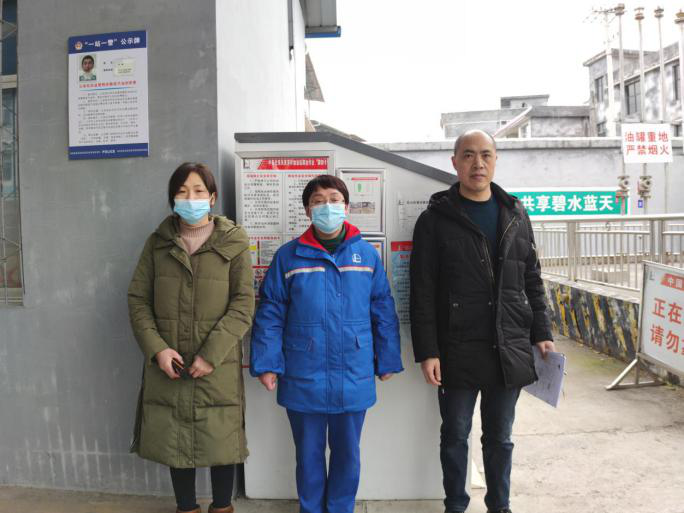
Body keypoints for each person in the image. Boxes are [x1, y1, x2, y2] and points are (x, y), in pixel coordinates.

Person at [409, 129, 555, 513]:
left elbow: (532, 279)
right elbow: (422, 291)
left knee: (500, 438)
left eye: (486, 154)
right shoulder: (434, 220)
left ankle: (499, 506)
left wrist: (542, 332)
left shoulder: (516, 215)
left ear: (495, 160)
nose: (478, 163)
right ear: (455, 162)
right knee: (455, 435)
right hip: (456, 348)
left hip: (509, 345)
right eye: (469, 155)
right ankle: (456, 506)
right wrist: (428, 351)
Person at [250, 174, 403, 513]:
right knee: (308, 456)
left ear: (346, 207)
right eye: (318, 201)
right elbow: (270, 312)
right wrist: (267, 362)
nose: (327, 207)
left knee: (348, 454)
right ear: (308, 210)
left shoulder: (366, 255)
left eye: (334, 199)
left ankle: (340, 509)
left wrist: (388, 358)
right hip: (304, 373)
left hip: (353, 371)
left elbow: (382, 308)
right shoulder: (288, 257)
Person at [128, 162, 254, 513]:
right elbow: (138, 300)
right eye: (182, 192)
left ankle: (222, 507)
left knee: (220, 437)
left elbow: (243, 303)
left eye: (198, 191)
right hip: (169, 362)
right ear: (172, 199)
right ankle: (186, 507)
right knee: (175, 438)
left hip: (217, 362)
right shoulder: (157, 244)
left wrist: (211, 354)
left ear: (212, 197)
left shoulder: (234, 242)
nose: (190, 198)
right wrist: (158, 350)